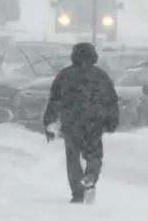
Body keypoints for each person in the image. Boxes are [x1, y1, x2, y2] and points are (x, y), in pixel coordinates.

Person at [42, 42, 118, 203]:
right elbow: (111, 100)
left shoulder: (65, 75)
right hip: (94, 122)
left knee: (73, 157)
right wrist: (112, 120)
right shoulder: (101, 76)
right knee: (94, 154)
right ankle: (91, 175)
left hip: (71, 122)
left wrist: (49, 121)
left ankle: (77, 192)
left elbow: (55, 100)